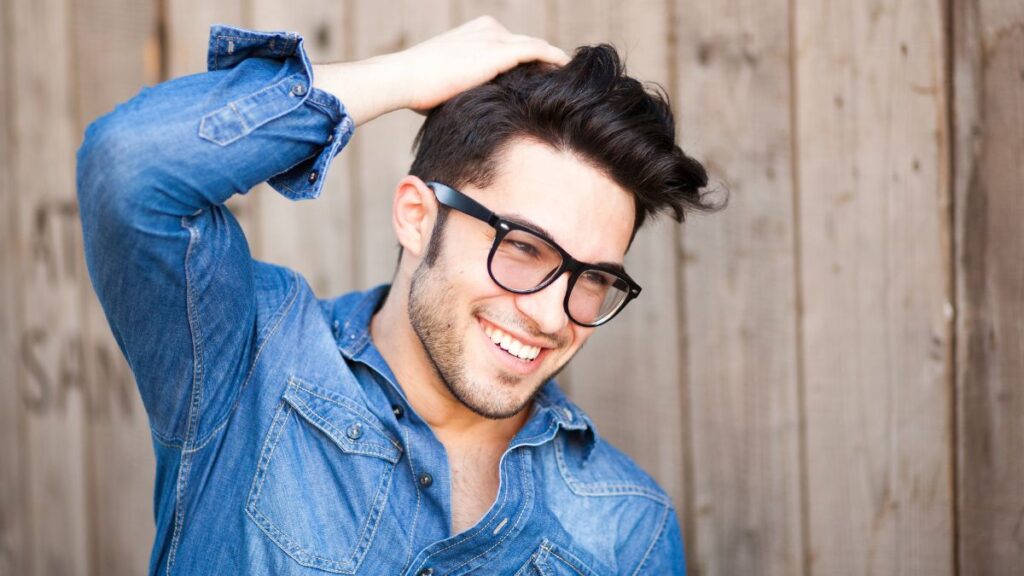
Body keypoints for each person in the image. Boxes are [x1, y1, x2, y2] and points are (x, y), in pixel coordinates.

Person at [77, 16, 713, 576]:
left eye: (593, 278)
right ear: (416, 216)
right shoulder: (250, 362)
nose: (552, 316)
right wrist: (407, 75)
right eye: (522, 247)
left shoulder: (630, 529)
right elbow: (130, 166)